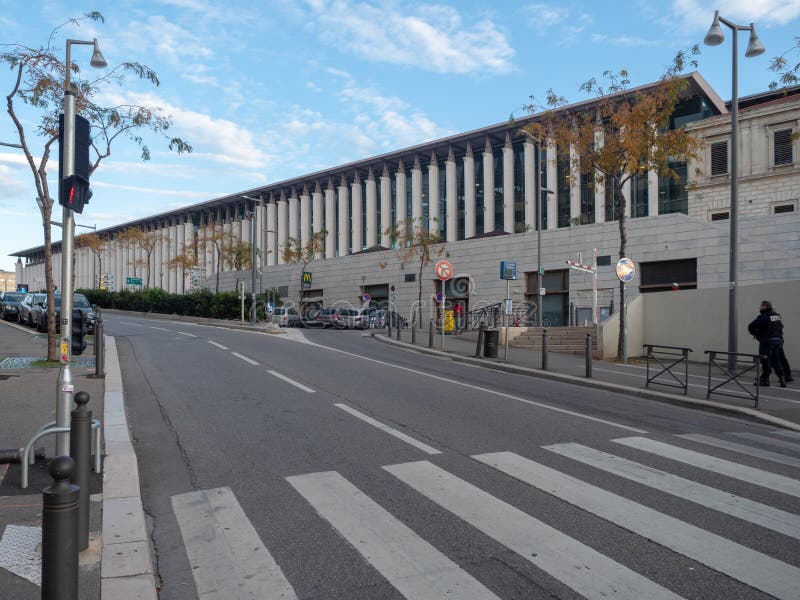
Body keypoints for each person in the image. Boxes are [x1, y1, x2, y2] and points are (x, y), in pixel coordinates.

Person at [747, 300, 786, 387]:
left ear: (765, 307)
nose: (759, 307)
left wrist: (756, 334)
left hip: (767, 341)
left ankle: (765, 380)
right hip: (778, 341)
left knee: (765, 360)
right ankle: (782, 378)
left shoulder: (763, 316)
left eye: (761, 306)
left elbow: (751, 326)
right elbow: (780, 327)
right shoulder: (777, 316)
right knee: (776, 360)